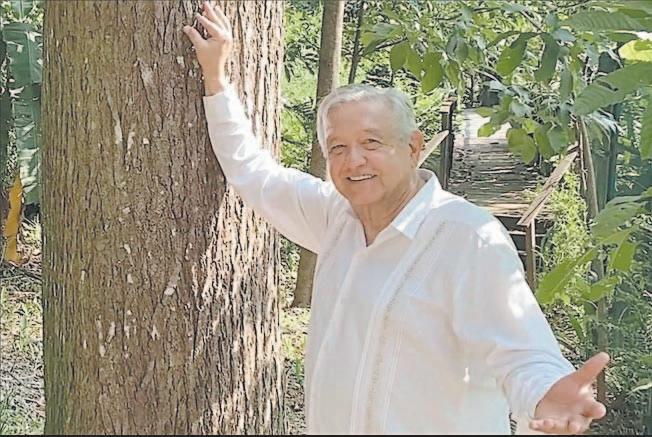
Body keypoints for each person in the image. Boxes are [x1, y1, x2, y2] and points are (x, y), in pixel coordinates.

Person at [182, 2, 609, 434]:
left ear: (413, 147)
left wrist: (545, 395)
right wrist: (216, 79)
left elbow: (520, 351)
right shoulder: (335, 218)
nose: (354, 160)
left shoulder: (468, 238)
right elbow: (254, 173)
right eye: (338, 148)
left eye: (372, 142)